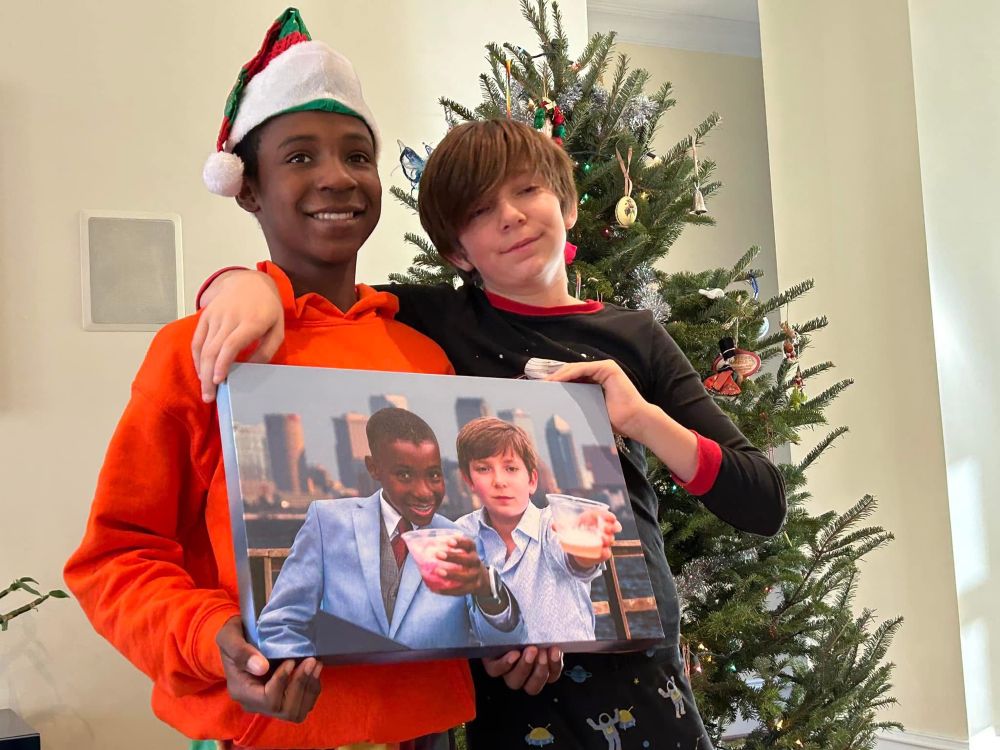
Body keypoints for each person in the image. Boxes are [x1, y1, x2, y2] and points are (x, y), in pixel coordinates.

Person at [192, 118, 787, 748]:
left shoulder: (636, 339)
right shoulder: (430, 320)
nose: (511, 217)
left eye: (528, 191)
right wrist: (238, 283)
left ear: (568, 204)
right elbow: (314, 296)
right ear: (456, 252)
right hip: (488, 679)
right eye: (480, 210)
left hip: (633, 663)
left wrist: (638, 417)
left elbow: (761, 500)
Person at [63, 9, 528, 749]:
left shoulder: (425, 353)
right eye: (301, 158)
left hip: (428, 728)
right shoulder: (201, 350)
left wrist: (517, 623)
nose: (337, 178)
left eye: (356, 155)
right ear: (247, 188)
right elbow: (116, 557)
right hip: (263, 726)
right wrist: (212, 635)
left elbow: (474, 537)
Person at [257, 407, 524, 655]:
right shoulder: (327, 522)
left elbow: (503, 642)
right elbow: (281, 623)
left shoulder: (462, 540)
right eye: (405, 475)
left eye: (433, 475)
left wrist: (486, 589)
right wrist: (305, 681)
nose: (424, 492)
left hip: (431, 698)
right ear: (374, 468)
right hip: (345, 696)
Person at [453, 417, 619, 643]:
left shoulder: (552, 522)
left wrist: (584, 549)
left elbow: (572, 558)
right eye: (483, 469)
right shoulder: (461, 533)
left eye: (511, 468)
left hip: (572, 664)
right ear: (469, 480)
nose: (499, 480)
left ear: (531, 480)